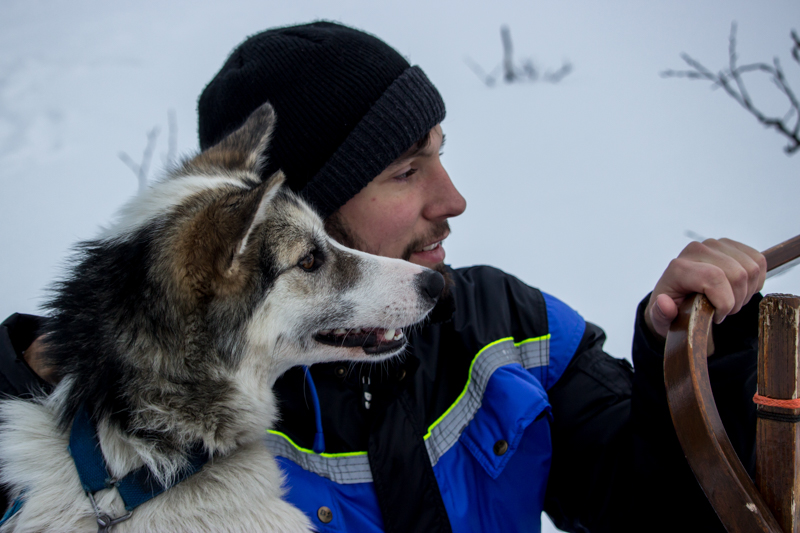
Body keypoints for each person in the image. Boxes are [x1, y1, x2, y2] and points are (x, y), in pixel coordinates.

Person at [0, 22, 767, 532]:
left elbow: (658, 508)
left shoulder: (502, 325)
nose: (453, 199)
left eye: (439, 150)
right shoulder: (183, 425)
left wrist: (693, 362)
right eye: (405, 170)